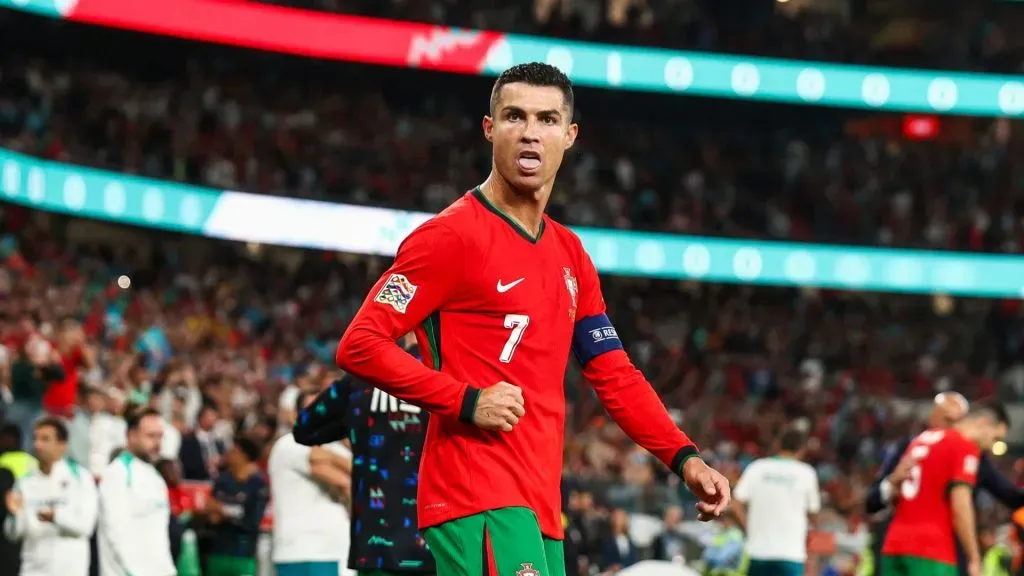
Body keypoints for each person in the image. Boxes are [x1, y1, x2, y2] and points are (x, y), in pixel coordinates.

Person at [334, 61, 730, 576]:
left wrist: (684, 458)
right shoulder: (450, 238)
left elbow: (614, 374)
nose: (529, 134)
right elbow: (360, 344)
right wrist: (466, 400)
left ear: (569, 136)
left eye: (546, 120)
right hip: (476, 490)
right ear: (489, 128)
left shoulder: (571, 254)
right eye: (514, 116)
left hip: (540, 501)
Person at [294, 333, 435, 576]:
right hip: (435, 541)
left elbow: (305, 428)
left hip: (375, 546)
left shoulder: (364, 376)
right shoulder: (447, 376)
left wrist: (354, 424)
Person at [864, 393, 1024, 576]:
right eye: (995, 438)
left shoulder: (920, 441)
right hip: (933, 549)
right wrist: (974, 557)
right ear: (983, 423)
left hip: (895, 544)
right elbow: (960, 505)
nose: (991, 446)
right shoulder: (964, 447)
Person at [269, 392, 354, 576]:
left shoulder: (337, 448)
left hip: (338, 552)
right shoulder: (289, 443)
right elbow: (343, 481)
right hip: (304, 552)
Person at [3, 418, 98, 576]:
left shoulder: (80, 477)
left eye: (45, 439)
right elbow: (13, 534)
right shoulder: (25, 482)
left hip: (69, 570)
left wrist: (56, 517)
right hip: (32, 569)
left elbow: (86, 526)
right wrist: (14, 514)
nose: (37, 445)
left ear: (62, 445)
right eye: (36, 439)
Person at [97, 408, 176, 576]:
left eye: (160, 436)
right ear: (131, 435)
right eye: (151, 436)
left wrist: (168, 570)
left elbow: (160, 535)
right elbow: (115, 532)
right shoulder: (117, 474)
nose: (157, 443)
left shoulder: (155, 477)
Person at [731, 428, 820, 576]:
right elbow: (813, 515)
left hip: (758, 552)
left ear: (778, 445)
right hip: (791, 555)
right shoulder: (806, 473)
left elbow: (735, 506)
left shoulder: (757, 468)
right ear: (802, 449)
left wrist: (749, 529)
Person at [200, 437, 269, 576]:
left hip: (243, 552)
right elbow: (212, 512)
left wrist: (223, 510)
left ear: (244, 455)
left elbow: (252, 520)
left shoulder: (258, 485)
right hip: (218, 550)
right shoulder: (222, 481)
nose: (228, 453)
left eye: (233, 450)